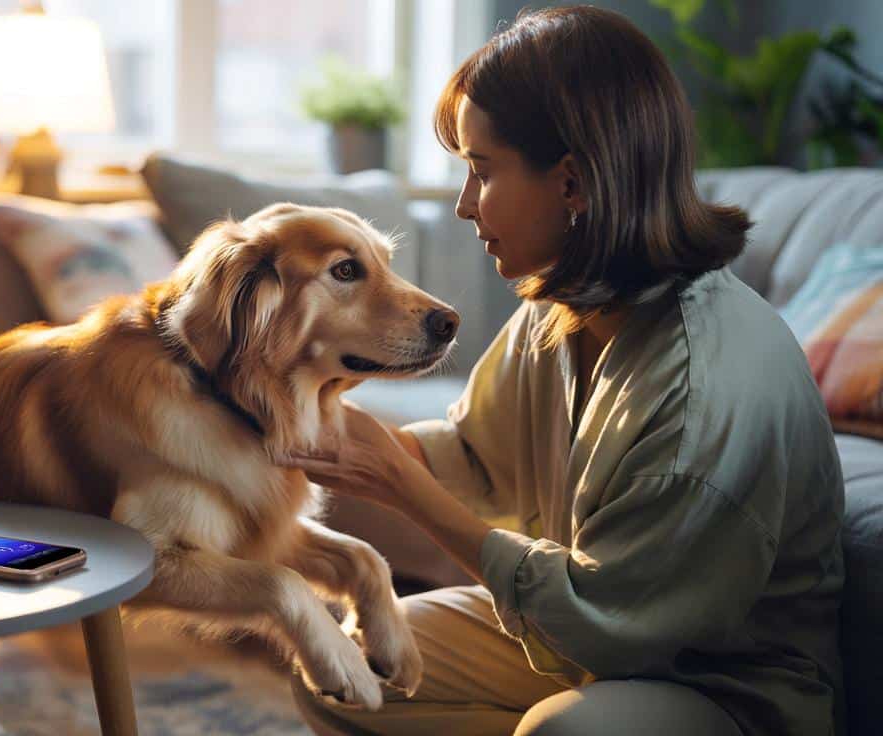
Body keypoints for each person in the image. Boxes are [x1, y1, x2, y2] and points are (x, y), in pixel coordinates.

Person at [281, 6, 845, 736]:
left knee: (565, 731)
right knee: (345, 668)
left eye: (482, 172)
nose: (463, 206)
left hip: (720, 684)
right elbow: (478, 450)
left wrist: (403, 486)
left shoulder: (697, 390)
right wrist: (322, 441)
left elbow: (607, 623)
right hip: (587, 645)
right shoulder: (565, 304)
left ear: (573, 184)